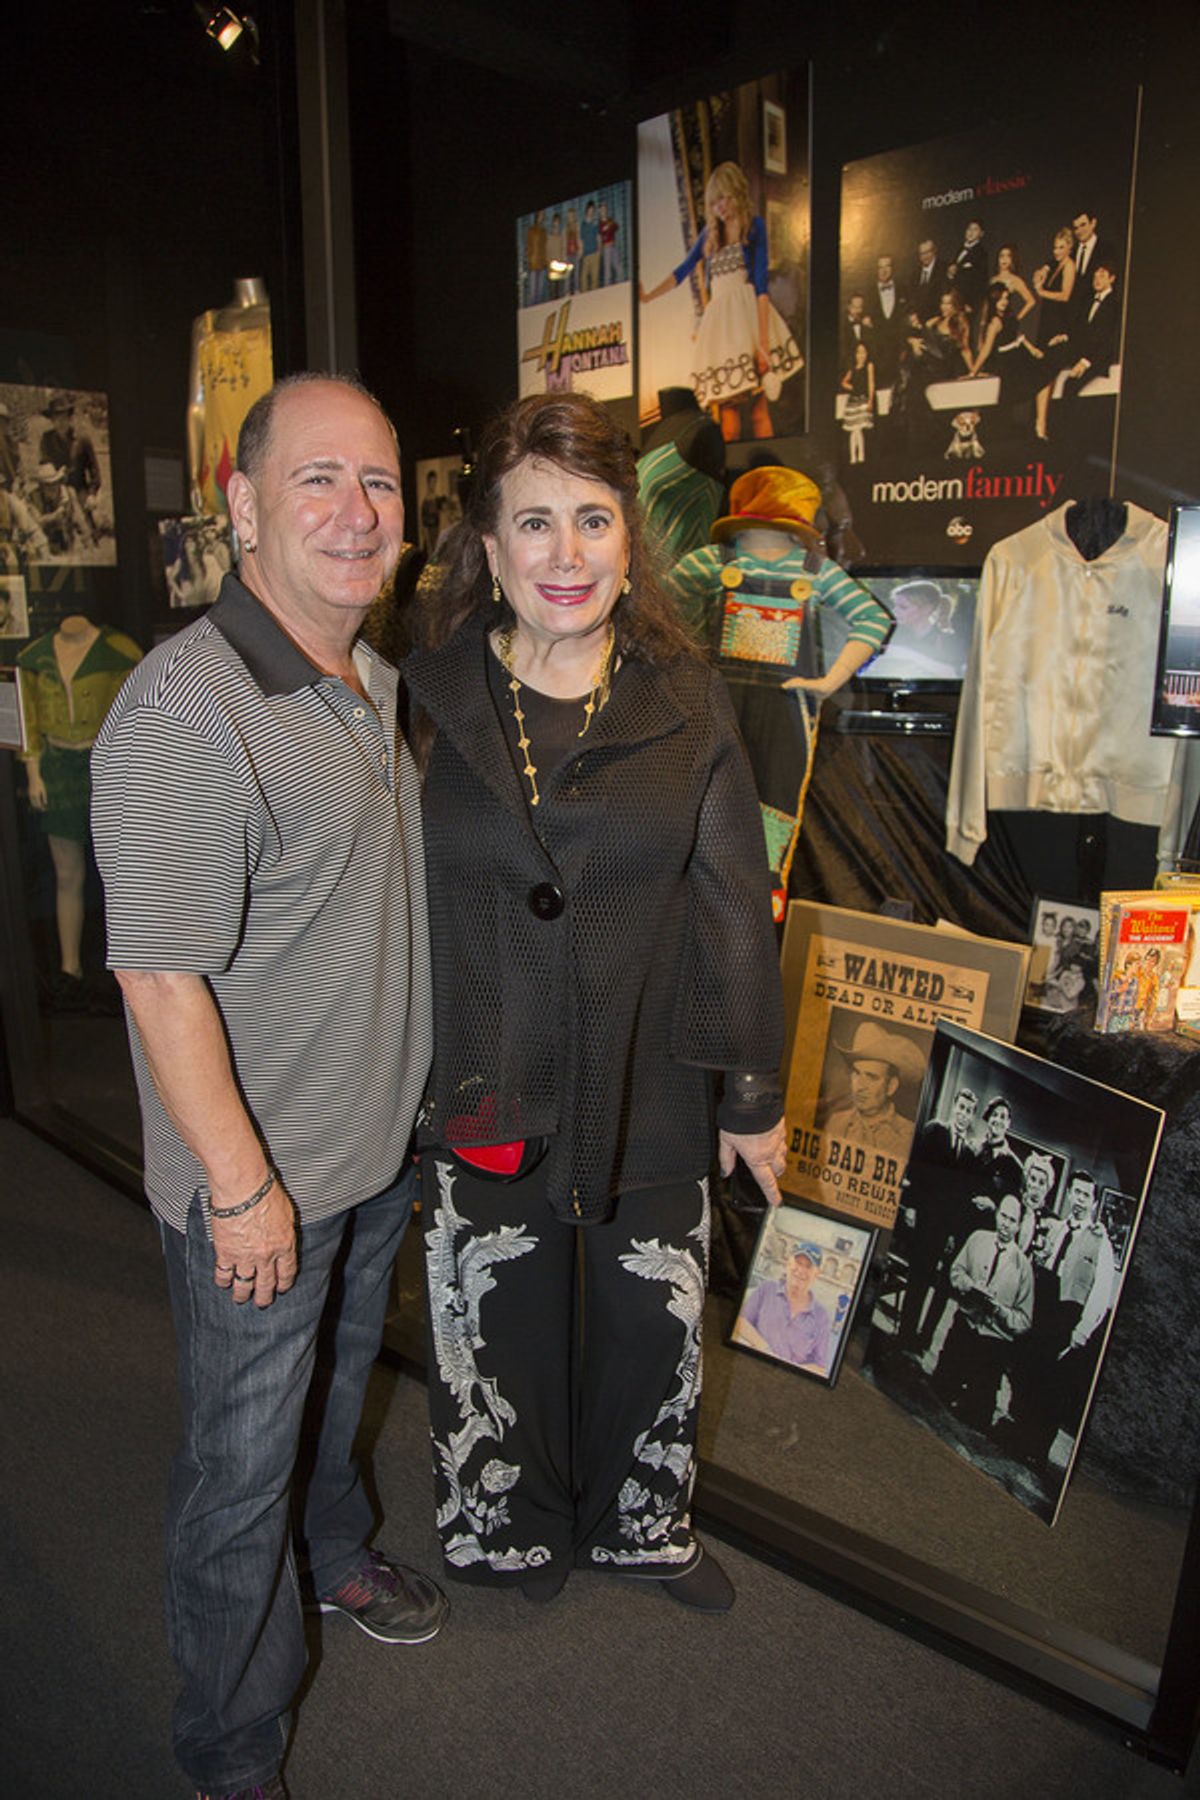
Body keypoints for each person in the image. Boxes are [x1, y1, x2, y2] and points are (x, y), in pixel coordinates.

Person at [90, 373, 446, 1800]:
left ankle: (338, 1550)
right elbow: (158, 981)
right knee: (238, 1474)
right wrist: (242, 1191)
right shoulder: (188, 709)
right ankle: (229, 1757)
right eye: (319, 480)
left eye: (379, 483)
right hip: (261, 1193)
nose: (357, 514)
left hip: (368, 1155)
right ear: (240, 503)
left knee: (334, 1395)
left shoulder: (370, 676)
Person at [403, 391, 786, 1615]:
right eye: (534, 524)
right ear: (487, 547)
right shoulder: (420, 700)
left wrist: (754, 1094)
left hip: (649, 1069)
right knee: (494, 1307)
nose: (565, 555)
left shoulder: (686, 698)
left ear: (630, 538)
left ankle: (639, 1519)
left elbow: (734, 900)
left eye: (592, 520)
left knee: (650, 1317)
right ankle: (502, 1520)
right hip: (480, 1060)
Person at [664, 466, 893, 905]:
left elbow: (872, 619)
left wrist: (828, 682)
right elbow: (660, 616)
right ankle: (699, 879)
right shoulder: (712, 563)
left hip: (786, 707)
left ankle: (766, 887)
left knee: (777, 790)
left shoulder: (816, 571)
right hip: (717, 702)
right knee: (706, 787)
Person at [639, 160, 803, 441]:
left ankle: (769, 477)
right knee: (728, 415)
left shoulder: (754, 228)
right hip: (721, 329)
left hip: (748, 319)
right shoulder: (709, 236)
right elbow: (682, 271)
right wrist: (647, 296)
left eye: (725, 199)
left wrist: (763, 344)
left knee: (759, 411)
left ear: (737, 194)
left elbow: (761, 287)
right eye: (715, 202)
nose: (721, 207)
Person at [1008, 1170, 1117, 1470]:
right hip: (1041, 1308)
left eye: (1086, 1195)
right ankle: (1018, 1434)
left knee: (1051, 1388)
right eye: (1076, 1193)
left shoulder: (1100, 1243)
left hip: (1066, 1317)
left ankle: (1036, 1450)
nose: (1080, 1200)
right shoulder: (1055, 1228)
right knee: (1027, 1372)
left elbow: (1101, 1294)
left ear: (1094, 1203)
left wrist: (1080, 1333)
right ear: (1068, 1194)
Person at [932, 1194, 1033, 1430]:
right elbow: (955, 1271)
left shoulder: (1023, 1268)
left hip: (992, 1346)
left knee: (975, 1419)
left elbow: (1025, 1320)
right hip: (964, 1329)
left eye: (1012, 1220)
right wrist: (969, 1285)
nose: (1005, 1224)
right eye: (1003, 1216)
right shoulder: (977, 1238)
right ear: (997, 1215)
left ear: (1019, 1226)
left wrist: (999, 1311)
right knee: (937, 1393)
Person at [822, 1021, 922, 1155]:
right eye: (857, 1073)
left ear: (891, 1086)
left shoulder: (909, 1137)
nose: (860, 1086)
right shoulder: (835, 1122)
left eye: (871, 1077)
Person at [734, 1241, 832, 1371]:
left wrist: (787, 1370)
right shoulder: (766, 1289)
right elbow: (740, 1321)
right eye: (798, 1262)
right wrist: (766, 1350)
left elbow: (820, 1367)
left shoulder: (822, 1317)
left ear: (816, 1274)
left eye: (808, 1266)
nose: (801, 1270)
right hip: (751, 1365)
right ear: (788, 1264)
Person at [974, 1096, 1024, 1202]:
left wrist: (994, 1206)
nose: (998, 1120)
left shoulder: (1015, 1166)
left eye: (1002, 1117)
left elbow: (1013, 1203)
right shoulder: (972, 1147)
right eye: (994, 1115)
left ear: (1008, 1123)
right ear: (988, 1119)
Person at [840, 339, 876, 464]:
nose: (861, 355)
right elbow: (844, 382)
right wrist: (852, 387)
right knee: (854, 430)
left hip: (863, 400)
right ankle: (853, 457)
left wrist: (871, 401)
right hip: (852, 402)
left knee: (858, 429)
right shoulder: (853, 369)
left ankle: (860, 455)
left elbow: (871, 384)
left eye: (863, 352)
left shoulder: (869, 366)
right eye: (858, 352)